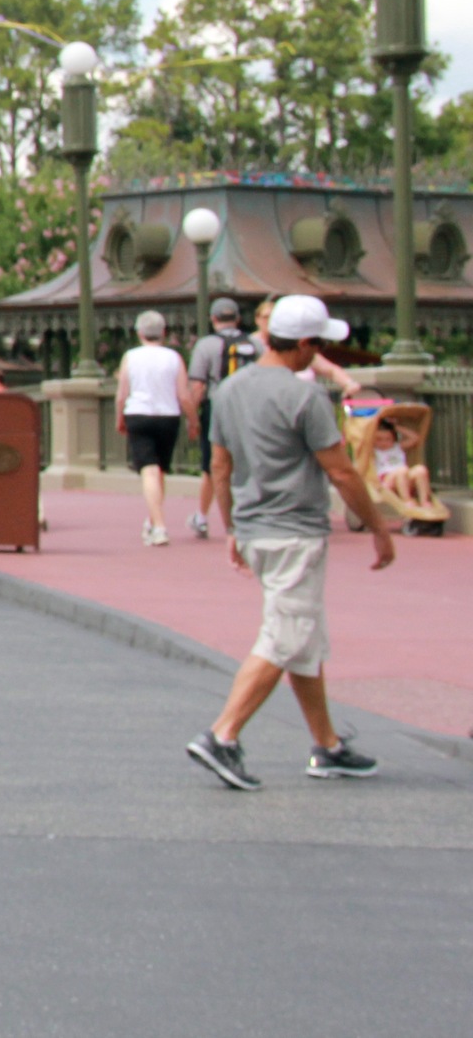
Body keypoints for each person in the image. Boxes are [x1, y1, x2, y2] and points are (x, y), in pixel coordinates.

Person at [188, 295, 395, 792]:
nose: (319, 354)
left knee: (303, 638)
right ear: (302, 344)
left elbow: (220, 466)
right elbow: (341, 471)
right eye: (318, 345)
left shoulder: (230, 390)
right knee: (285, 636)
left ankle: (327, 745)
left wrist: (232, 527)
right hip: (295, 530)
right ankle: (223, 734)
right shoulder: (306, 398)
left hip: (255, 527)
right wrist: (379, 527)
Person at [117, 310, 195, 546]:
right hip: (168, 416)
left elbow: (122, 393)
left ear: (139, 332)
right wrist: (194, 420)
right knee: (159, 470)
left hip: (139, 413)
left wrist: (119, 418)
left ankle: (159, 526)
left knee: (149, 471)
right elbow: (184, 395)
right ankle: (154, 521)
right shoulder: (174, 358)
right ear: (163, 332)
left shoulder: (131, 357)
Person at [184, 297, 256, 540]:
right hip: (250, 408)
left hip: (218, 408)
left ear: (213, 319)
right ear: (238, 318)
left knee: (213, 465)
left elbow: (197, 386)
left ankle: (204, 517)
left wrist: (192, 418)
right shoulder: (254, 343)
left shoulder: (206, 345)